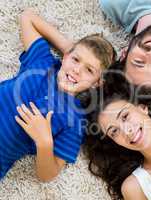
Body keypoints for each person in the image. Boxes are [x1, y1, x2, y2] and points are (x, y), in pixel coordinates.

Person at [0, 8, 115, 181]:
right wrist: (69, 48)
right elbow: (27, 17)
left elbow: (47, 175)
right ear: (65, 56)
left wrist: (44, 141)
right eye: (75, 60)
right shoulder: (42, 62)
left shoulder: (75, 122)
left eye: (89, 70)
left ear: (97, 83)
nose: (76, 70)